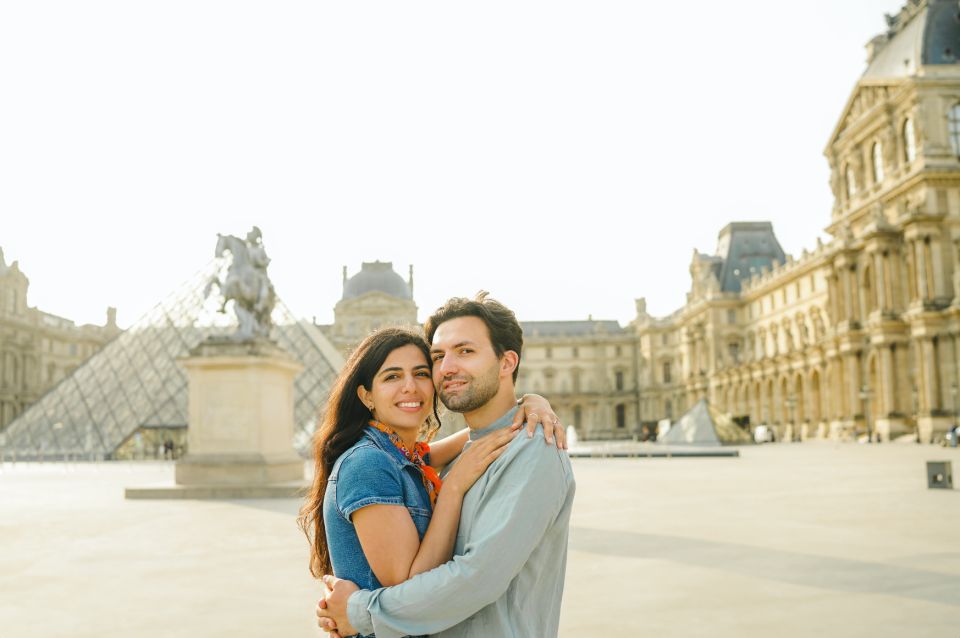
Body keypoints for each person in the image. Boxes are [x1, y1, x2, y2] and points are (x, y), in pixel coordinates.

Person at [317, 293, 576, 638]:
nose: (447, 368)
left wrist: (357, 612)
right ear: (366, 395)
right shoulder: (458, 456)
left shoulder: (533, 447)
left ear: (506, 362)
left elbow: (475, 578)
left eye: (465, 351)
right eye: (438, 357)